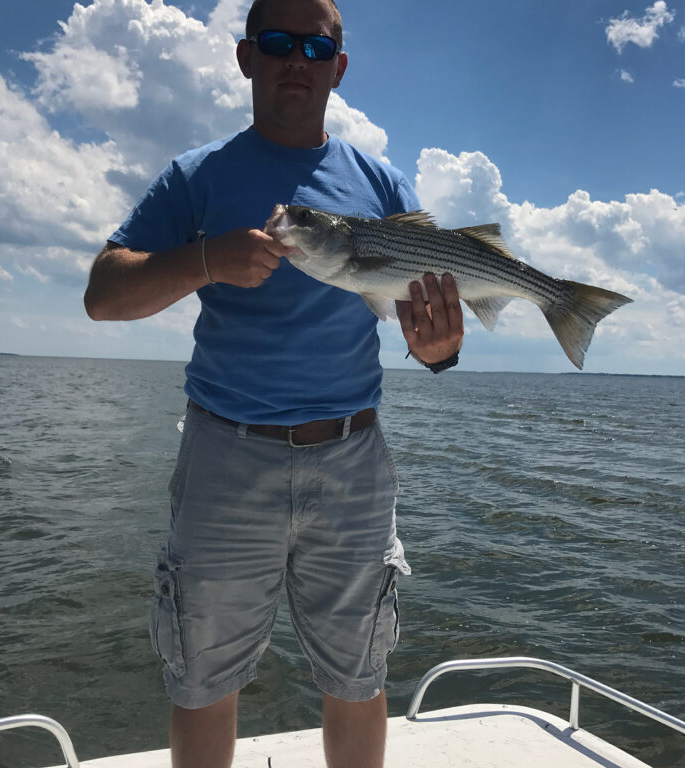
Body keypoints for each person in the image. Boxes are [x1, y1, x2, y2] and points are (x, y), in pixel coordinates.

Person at [84, 0, 464, 766]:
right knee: (201, 677)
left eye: (315, 46)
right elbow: (102, 293)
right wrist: (203, 259)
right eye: (278, 43)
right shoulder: (198, 176)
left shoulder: (380, 181)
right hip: (227, 454)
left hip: (353, 456)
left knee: (359, 673)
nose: (298, 60)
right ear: (246, 56)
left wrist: (440, 351)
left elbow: (421, 324)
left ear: (338, 66)